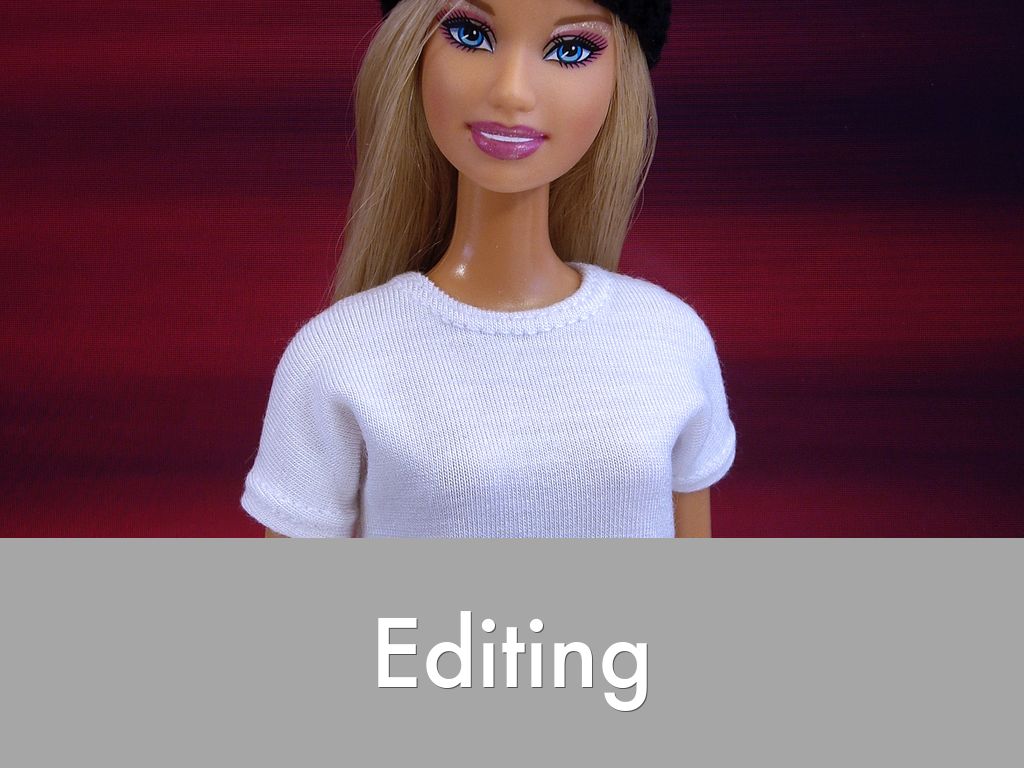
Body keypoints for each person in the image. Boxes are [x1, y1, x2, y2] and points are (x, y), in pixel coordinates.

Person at [242, 0, 736, 538]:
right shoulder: (340, 355)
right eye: (470, 35)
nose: (512, 92)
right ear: (413, 53)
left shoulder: (668, 339)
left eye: (570, 50)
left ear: (622, 81)